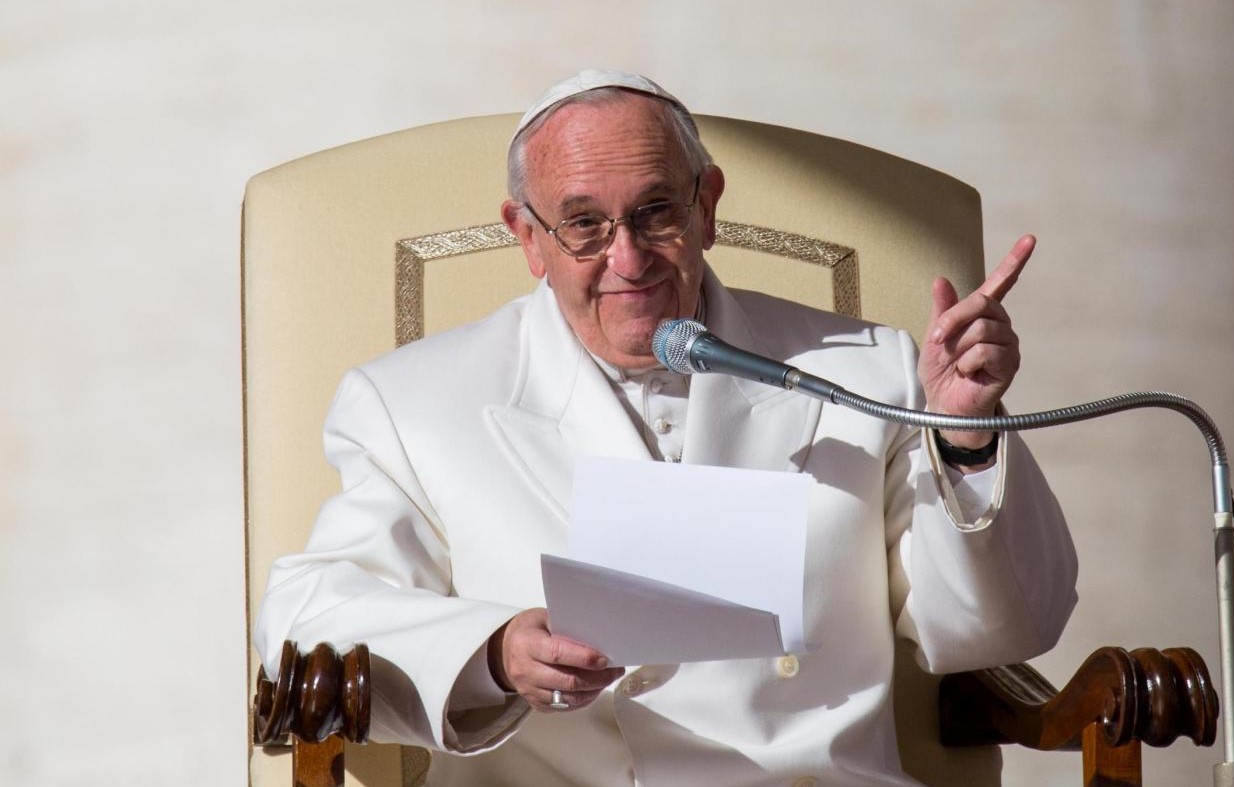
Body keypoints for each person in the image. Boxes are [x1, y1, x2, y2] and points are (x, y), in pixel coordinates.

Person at [254, 70, 1077, 786]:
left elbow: (1004, 626)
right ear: (528, 238)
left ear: (708, 204)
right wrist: (493, 651)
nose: (629, 259)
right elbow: (303, 619)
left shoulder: (868, 373)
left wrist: (966, 438)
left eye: (655, 212)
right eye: (584, 224)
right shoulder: (415, 402)